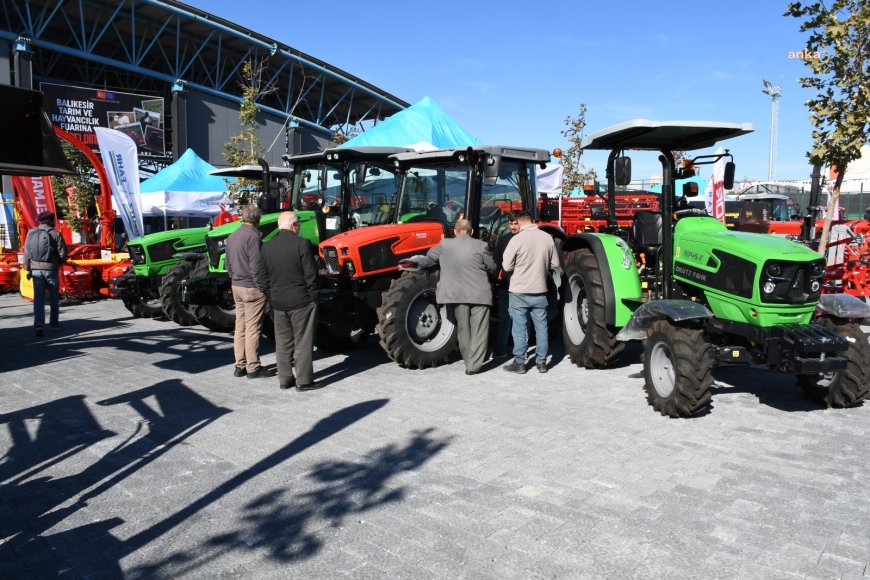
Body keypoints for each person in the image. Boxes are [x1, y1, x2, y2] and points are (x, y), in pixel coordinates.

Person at [409, 218, 496, 374]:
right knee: (480, 329)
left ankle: (469, 361)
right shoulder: (481, 245)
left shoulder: (444, 245)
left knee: (463, 328)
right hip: (479, 294)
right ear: (472, 232)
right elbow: (492, 267)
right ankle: (474, 366)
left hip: (456, 294)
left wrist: (413, 262)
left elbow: (428, 259)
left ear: (455, 231)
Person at [260, 211, 324, 391]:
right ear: (294, 225)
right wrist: (313, 296)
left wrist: (271, 296)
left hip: (278, 301)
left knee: (282, 341)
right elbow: (311, 274)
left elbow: (263, 277)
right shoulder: (302, 244)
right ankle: (304, 381)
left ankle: (285, 379)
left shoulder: (267, 246)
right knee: (303, 341)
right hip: (301, 300)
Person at [501, 210, 560, 374]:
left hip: (519, 291)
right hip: (540, 290)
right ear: (532, 221)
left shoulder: (516, 239)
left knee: (520, 328)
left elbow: (506, 267)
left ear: (519, 222)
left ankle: (520, 363)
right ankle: (541, 363)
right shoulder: (547, 238)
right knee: (541, 327)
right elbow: (555, 263)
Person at [225, 205, 272, 379]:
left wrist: (234, 278)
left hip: (236, 284)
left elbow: (228, 264)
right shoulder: (254, 236)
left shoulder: (232, 236)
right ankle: (253, 367)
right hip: (251, 287)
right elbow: (256, 266)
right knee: (253, 328)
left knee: (240, 327)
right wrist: (262, 287)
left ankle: (240, 365)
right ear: (257, 220)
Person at [23, 211, 68, 337]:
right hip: (51, 269)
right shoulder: (55, 233)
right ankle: (54, 325)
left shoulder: (31, 233)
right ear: (49, 220)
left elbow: (26, 252)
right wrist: (58, 262)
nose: (55, 221)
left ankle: (39, 325)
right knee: (54, 298)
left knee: (38, 298)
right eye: (53, 219)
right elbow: (63, 252)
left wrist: (27, 268)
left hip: (36, 270)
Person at [492, 212, 520, 358]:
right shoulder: (504, 239)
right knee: (504, 317)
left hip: (522, 285)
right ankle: (500, 349)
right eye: (511, 224)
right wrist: (494, 279)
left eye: (516, 223)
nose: (514, 227)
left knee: (521, 319)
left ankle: (520, 350)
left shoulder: (525, 239)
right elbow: (496, 260)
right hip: (505, 285)